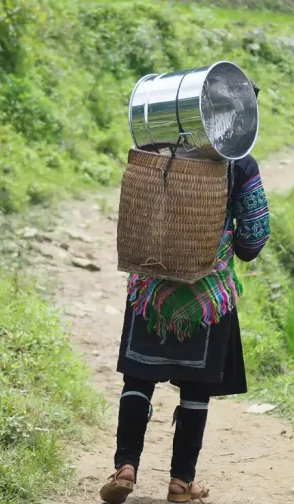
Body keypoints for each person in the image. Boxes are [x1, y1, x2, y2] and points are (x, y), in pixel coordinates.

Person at [100, 85, 270, 504]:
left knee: (138, 377)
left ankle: (125, 466)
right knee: (196, 387)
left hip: (151, 287)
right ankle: (180, 482)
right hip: (206, 295)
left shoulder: (157, 151)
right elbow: (252, 239)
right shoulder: (239, 164)